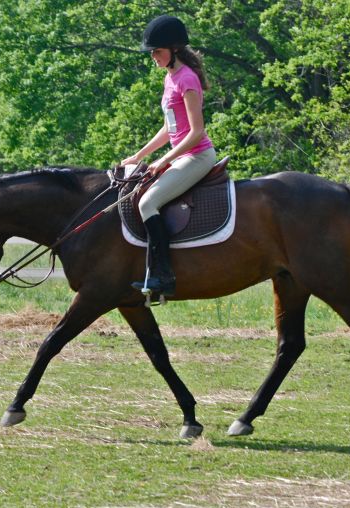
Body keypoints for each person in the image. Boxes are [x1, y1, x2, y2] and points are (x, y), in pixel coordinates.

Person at [121, 15, 217, 297]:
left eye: (157, 51)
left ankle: (163, 277)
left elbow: (196, 132)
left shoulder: (186, 79)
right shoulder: (170, 78)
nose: (153, 56)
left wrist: (163, 161)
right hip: (182, 155)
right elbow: (169, 128)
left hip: (198, 156)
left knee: (148, 203)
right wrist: (138, 155)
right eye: (151, 52)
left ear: (174, 49)